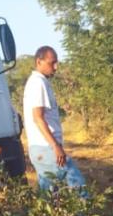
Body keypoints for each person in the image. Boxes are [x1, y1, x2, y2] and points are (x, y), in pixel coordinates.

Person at [21, 46, 86, 191]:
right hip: (46, 148)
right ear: (39, 62)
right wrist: (55, 146)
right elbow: (38, 118)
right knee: (78, 186)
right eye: (52, 63)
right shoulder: (38, 83)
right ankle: (86, 213)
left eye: (57, 63)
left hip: (40, 148)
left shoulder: (38, 82)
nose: (55, 67)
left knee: (50, 194)